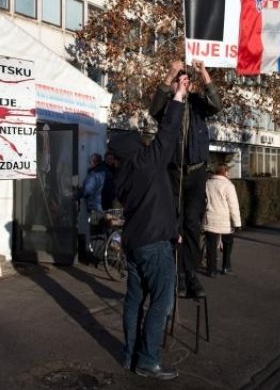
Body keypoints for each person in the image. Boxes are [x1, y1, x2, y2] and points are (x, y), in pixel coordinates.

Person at [109, 73, 188, 380]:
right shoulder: (147, 162)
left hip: (135, 242)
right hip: (155, 244)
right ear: (136, 149)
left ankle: (130, 356)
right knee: (162, 302)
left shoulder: (125, 175)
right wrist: (179, 93)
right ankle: (148, 360)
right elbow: (168, 132)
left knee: (133, 301)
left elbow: (152, 205)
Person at [149, 59, 222, 298]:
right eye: (181, 80)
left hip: (196, 171)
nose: (184, 82)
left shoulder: (198, 103)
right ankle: (176, 273)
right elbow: (154, 110)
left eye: (186, 79)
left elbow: (216, 104)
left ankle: (191, 273)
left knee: (192, 223)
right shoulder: (170, 105)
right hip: (173, 171)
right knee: (173, 224)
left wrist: (202, 72)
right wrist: (170, 74)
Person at [203, 165, 242, 277]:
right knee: (228, 243)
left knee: (211, 246)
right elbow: (233, 206)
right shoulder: (228, 185)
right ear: (225, 172)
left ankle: (211, 270)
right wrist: (237, 223)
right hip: (226, 221)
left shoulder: (207, 183)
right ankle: (226, 266)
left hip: (210, 218)